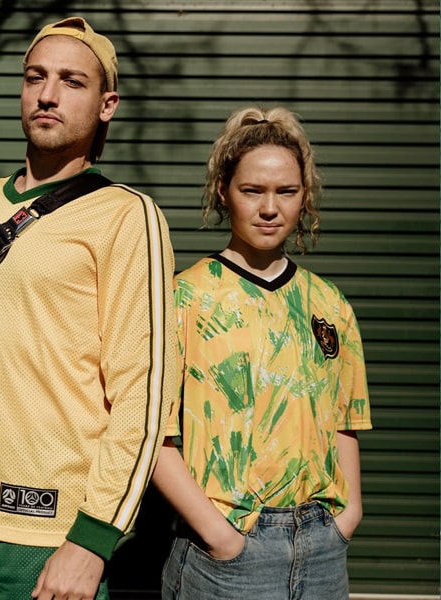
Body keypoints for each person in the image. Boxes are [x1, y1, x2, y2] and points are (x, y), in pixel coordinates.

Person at [0, 16, 177, 600]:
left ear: (107, 105)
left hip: (40, 535)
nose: (47, 94)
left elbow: (144, 394)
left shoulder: (126, 217)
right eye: (35, 77)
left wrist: (93, 539)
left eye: (72, 81)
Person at [152, 106, 372, 600]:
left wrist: (348, 516)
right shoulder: (183, 299)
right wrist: (220, 536)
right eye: (252, 190)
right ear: (222, 192)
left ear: (304, 196)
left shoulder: (330, 304)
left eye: (286, 191)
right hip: (226, 552)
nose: (269, 208)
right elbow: (154, 435)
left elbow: (345, 421)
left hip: (323, 550)